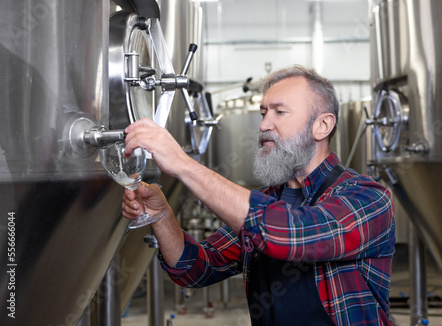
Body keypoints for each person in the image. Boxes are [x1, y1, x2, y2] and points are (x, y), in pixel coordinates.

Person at [122, 65, 395, 325]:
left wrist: (183, 164)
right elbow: (196, 268)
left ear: (322, 126)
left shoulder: (368, 198)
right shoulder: (267, 201)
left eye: (279, 112)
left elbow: (293, 232)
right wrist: (161, 215)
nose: (264, 125)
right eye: (263, 113)